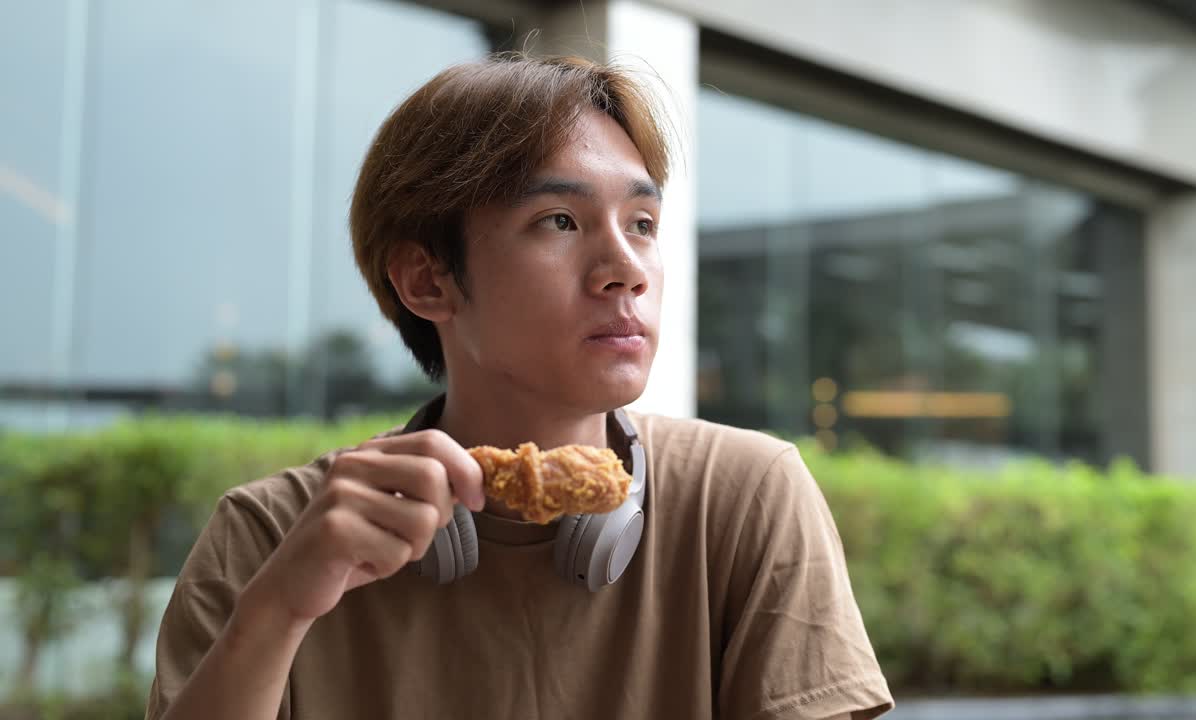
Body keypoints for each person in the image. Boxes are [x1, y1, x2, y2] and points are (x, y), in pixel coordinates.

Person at [145, 53, 893, 720]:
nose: (625, 267)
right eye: (560, 220)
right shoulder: (271, 536)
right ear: (427, 279)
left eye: (641, 222)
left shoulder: (743, 497)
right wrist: (277, 612)